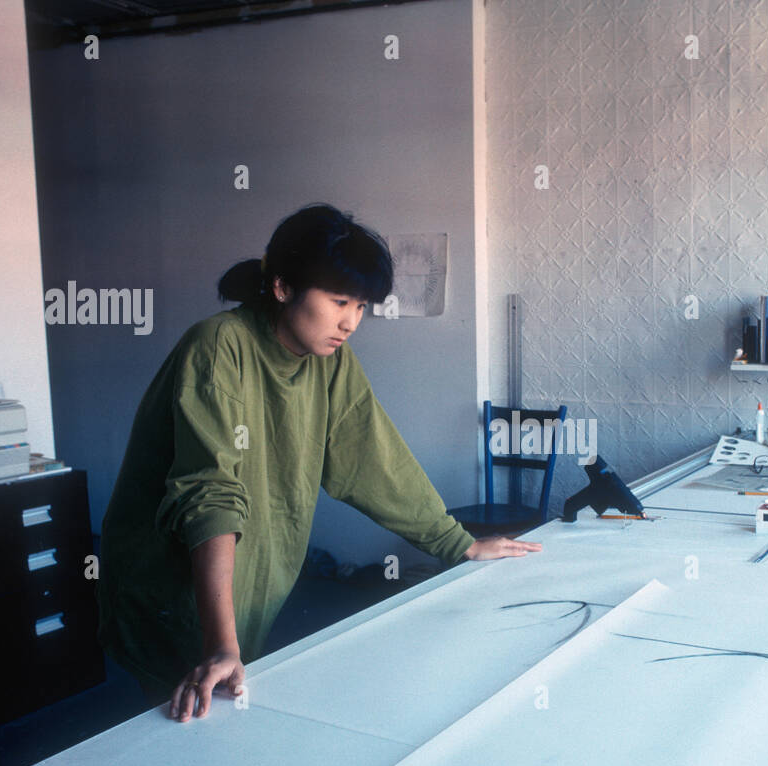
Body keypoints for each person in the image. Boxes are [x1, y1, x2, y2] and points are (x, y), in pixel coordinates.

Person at [97, 204, 540, 721]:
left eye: (361, 306)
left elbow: (374, 461)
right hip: (175, 594)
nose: (351, 322)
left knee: (224, 736)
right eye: (338, 301)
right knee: (174, 738)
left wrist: (457, 544)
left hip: (247, 596)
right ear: (283, 288)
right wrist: (221, 643)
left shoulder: (330, 363)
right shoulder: (219, 346)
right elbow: (210, 493)